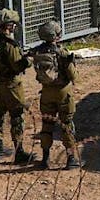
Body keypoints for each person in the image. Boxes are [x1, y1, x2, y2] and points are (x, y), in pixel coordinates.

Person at [31, 21, 82, 170]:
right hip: (63, 93)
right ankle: (71, 159)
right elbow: (73, 76)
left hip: (46, 92)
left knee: (47, 125)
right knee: (67, 125)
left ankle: (45, 159)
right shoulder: (62, 52)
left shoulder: (38, 52)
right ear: (56, 35)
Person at [0, 8, 36, 164]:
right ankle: (19, 151)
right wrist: (29, 59)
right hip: (12, 85)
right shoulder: (10, 44)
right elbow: (17, 65)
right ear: (9, 26)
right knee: (17, 117)